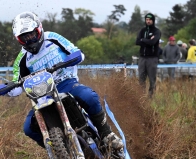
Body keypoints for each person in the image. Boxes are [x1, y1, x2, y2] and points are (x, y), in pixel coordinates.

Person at [9, 11, 123, 151]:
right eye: (24, 38)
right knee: (28, 129)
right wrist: (8, 88)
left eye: (32, 34)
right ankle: (59, 152)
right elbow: (16, 85)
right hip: (42, 95)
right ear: (19, 39)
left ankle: (107, 134)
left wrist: (68, 61)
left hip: (66, 83)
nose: (30, 40)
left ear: (39, 29)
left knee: (89, 96)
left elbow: (77, 53)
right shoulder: (21, 58)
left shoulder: (52, 38)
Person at [136, 13, 161, 97]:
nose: (148, 21)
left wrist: (143, 40)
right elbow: (137, 41)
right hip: (142, 57)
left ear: (153, 21)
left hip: (152, 58)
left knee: (152, 79)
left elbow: (153, 42)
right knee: (141, 78)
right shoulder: (142, 30)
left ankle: (151, 96)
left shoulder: (156, 31)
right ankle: (141, 96)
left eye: (150, 20)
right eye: (147, 19)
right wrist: (146, 40)